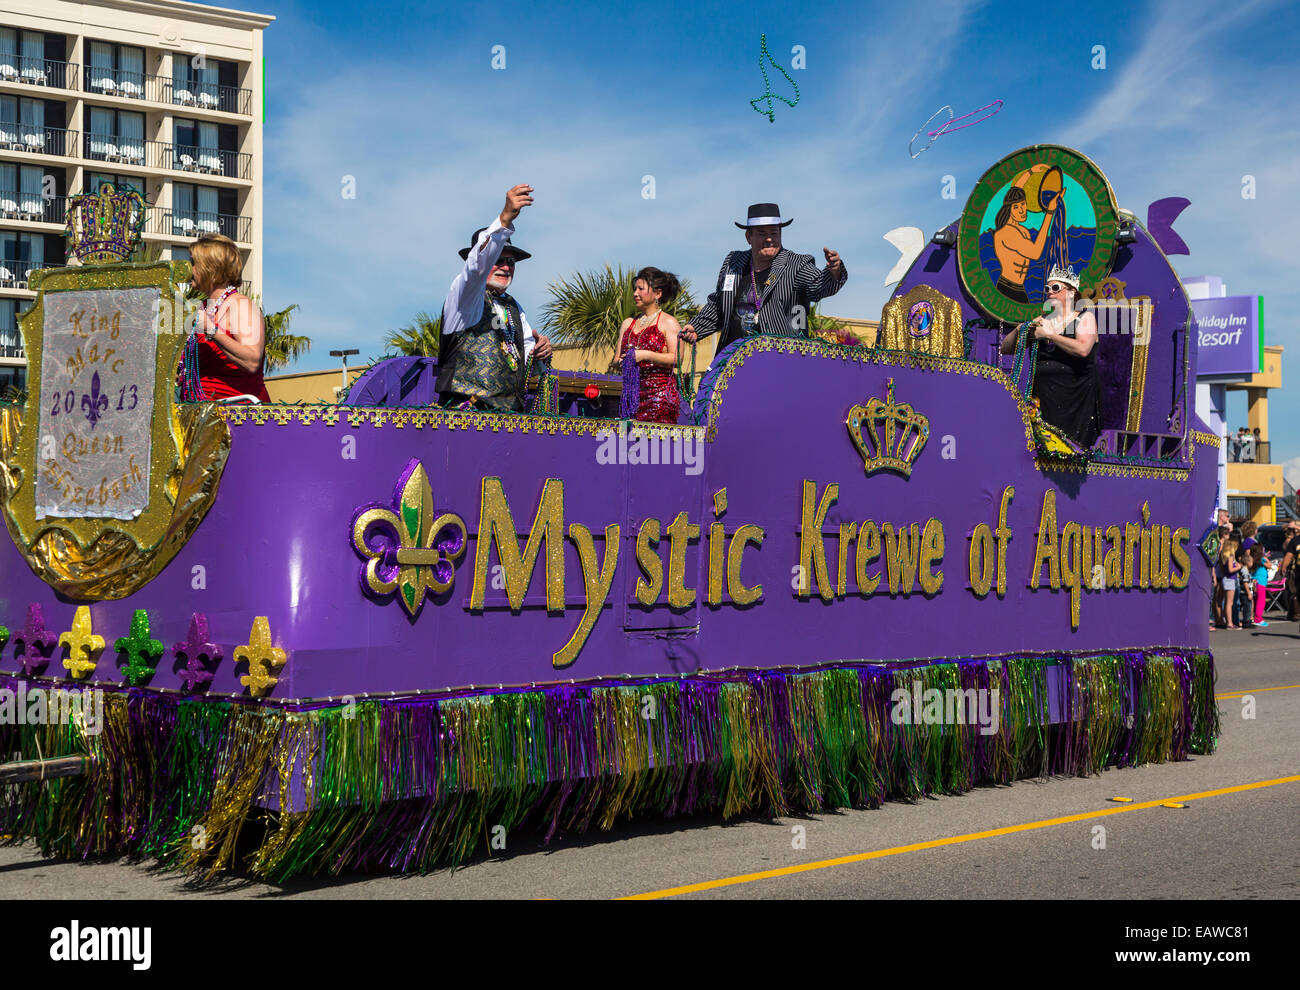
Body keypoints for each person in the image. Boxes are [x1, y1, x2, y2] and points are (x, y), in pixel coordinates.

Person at [436, 184, 553, 411]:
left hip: (509, 419)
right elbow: (477, 267)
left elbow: (525, 358)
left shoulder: (514, 307)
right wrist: (505, 218)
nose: (506, 267)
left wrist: (541, 351)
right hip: (464, 420)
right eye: (498, 260)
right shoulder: (465, 295)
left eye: (510, 262)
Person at [680, 203, 846, 353]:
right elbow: (719, 305)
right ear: (748, 237)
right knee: (708, 386)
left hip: (782, 361)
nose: (769, 239)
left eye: (774, 233)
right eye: (762, 233)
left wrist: (834, 271)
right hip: (732, 361)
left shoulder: (797, 264)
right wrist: (697, 328)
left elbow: (817, 287)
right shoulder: (733, 262)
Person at [1000, 264, 1100, 446]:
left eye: (1055, 288)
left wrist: (1050, 335)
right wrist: (1020, 329)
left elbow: (1083, 349)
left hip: (1074, 398)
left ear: (1071, 293)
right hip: (1043, 398)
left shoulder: (1085, 318)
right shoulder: (1042, 321)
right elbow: (1006, 348)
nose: (1050, 293)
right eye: (1047, 289)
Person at [184, 233, 269, 402]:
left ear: (211, 268)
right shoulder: (202, 307)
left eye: (193, 263)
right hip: (201, 414)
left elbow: (252, 361)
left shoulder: (240, 305)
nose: (188, 268)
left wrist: (212, 331)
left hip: (239, 417)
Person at [617, 267, 682, 424]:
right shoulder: (628, 324)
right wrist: (624, 361)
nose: (635, 294)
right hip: (631, 399)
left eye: (641, 289)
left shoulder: (669, 322)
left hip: (660, 400)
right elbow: (616, 359)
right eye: (635, 289)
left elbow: (678, 358)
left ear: (657, 294)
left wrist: (645, 355)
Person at [991, 171, 1060, 303]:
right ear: (1008, 210)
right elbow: (1035, 253)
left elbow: (1015, 189)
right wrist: (1049, 213)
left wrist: (1030, 172)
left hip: (1020, 288)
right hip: (1006, 288)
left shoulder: (1022, 230)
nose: (1022, 210)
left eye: (1023, 204)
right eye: (1016, 207)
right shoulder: (1006, 232)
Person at [1215, 539, 1242, 629]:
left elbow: (1224, 570)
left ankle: (1227, 622)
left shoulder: (1223, 557)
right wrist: (1238, 567)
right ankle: (1229, 623)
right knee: (1229, 603)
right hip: (1230, 579)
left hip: (1226, 579)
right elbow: (1230, 570)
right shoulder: (1230, 556)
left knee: (1226, 602)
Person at [1280, 521, 1300, 621]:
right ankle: (1295, 613)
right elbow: (1288, 555)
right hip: (1294, 569)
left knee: (1294, 592)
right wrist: (1283, 566)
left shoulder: (1294, 540)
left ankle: (1294, 613)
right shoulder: (1292, 540)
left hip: (1295, 569)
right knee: (1294, 591)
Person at [1249, 545, 1270, 627]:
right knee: (1261, 601)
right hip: (1260, 582)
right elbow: (1269, 565)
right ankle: (1258, 619)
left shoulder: (1253, 558)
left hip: (1254, 581)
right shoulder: (1262, 559)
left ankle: (1254, 617)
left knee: (1255, 600)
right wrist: (1266, 558)